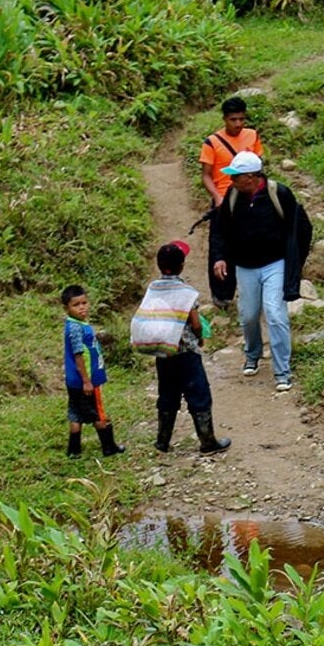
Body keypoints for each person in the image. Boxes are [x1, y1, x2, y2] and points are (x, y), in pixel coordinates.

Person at [208, 151, 304, 392]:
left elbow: (298, 227)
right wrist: (220, 258)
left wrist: (295, 262)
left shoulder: (278, 193)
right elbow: (221, 229)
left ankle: (283, 371)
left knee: (275, 313)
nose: (232, 181)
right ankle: (253, 353)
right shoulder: (232, 196)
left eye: (236, 177)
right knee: (249, 315)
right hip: (245, 266)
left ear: (251, 178)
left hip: (275, 264)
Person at [138, 241, 231, 455]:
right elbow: (196, 323)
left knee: (167, 395)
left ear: (159, 265)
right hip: (186, 353)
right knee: (199, 394)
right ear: (182, 266)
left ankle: (162, 441)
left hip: (164, 352)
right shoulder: (186, 292)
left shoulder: (153, 288)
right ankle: (208, 442)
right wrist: (199, 339)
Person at [61, 285, 124, 457]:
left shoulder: (77, 324)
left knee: (75, 415)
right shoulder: (75, 328)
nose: (82, 307)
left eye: (84, 303)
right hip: (84, 381)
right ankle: (109, 447)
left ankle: (74, 450)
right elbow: (78, 355)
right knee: (98, 414)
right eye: (76, 305)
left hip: (74, 381)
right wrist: (87, 381)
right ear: (66, 308)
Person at [200, 96, 263, 210]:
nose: (238, 124)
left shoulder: (253, 135)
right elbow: (206, 175)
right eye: (233, 120)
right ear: (224, 119)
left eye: (241, 119)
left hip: (250, 197)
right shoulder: (212, 142)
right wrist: (217, 197)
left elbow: (258, 168)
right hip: (224, 197)